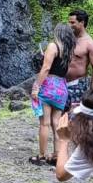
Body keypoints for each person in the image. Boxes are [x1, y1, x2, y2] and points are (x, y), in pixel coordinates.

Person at [28, 22, 78, 167]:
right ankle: (57, 156)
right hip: (61, 88)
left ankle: (42, 156)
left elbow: (46, 68)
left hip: (49, 86)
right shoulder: (69, 50)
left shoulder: (52, 46)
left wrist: (36, 86)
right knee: (56, 123)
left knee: (44, 123)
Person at [65, 9, 93, 106]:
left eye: (72, 22)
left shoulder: (90, 43)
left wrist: (91, 92)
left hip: (78, 85)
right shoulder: (68, 39)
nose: (69, 25)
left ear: (82, 23)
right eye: (68, 22)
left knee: (74, 115)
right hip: (61, 83)